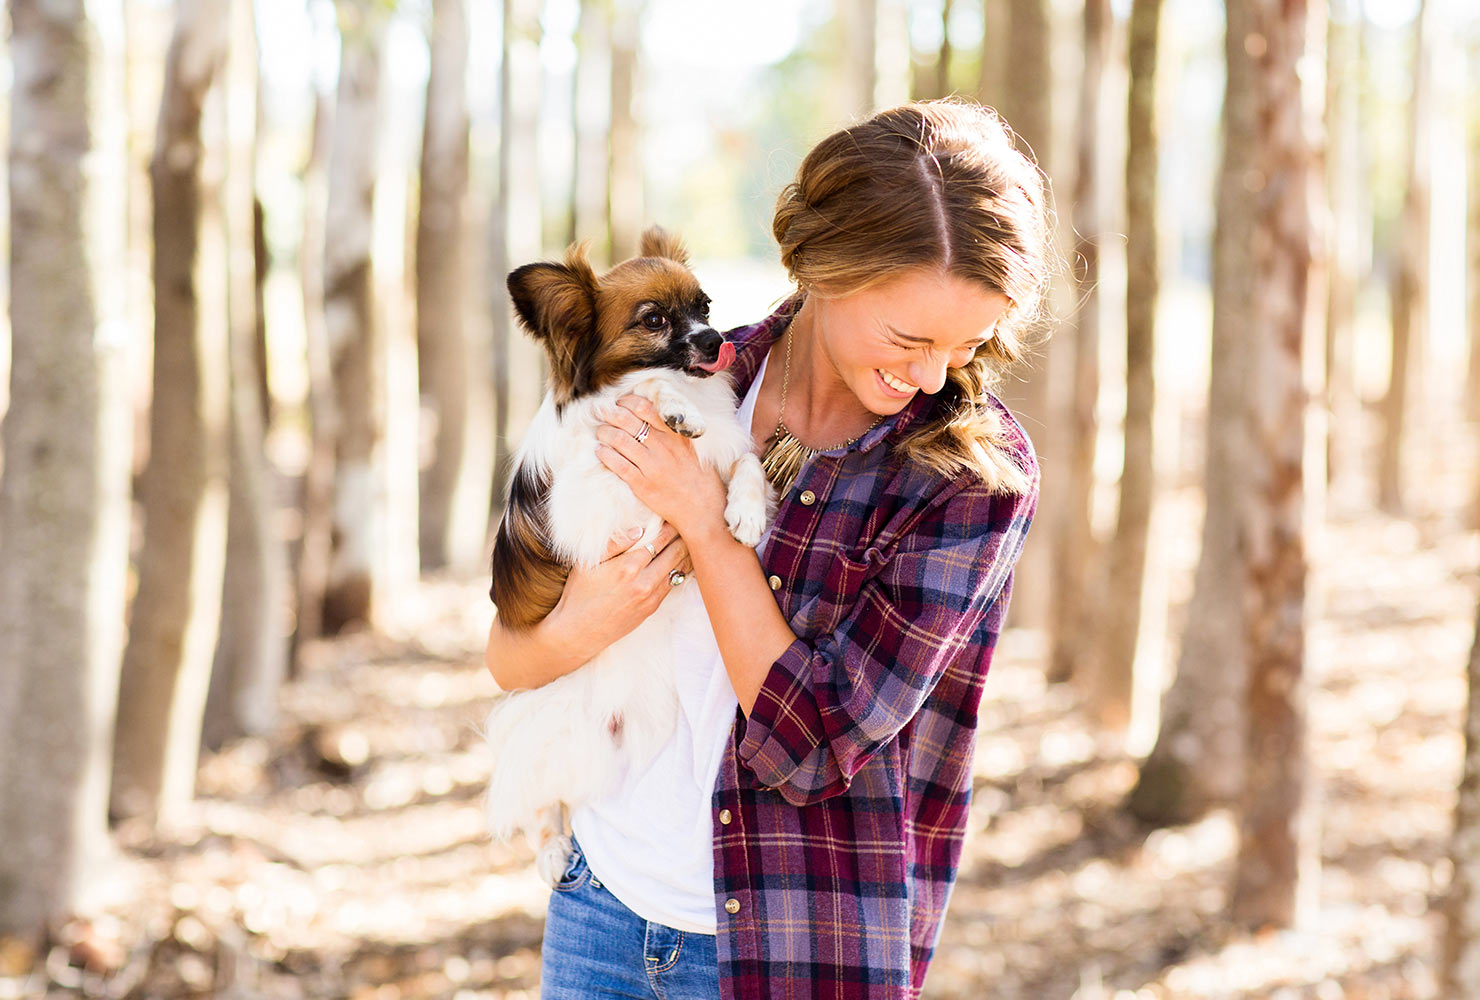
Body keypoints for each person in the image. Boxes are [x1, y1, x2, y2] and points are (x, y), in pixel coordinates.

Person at [484, 98, 1053, 1000]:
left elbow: (816, 740)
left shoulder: (969, 479)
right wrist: (585, 618)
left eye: (967, 343)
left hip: (796, 948)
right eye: (908, 338)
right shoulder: (681, 381)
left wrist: (706, 530)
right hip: (600, 904)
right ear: (820, 267)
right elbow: (511, 653)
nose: (933, 374)